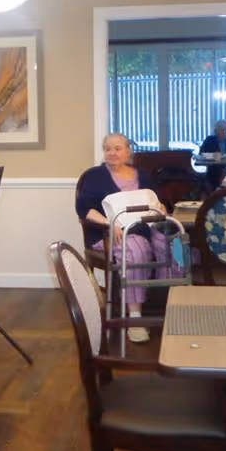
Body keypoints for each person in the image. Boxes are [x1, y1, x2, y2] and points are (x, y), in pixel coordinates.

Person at [76, 133, 177, 344]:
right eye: (108, 148)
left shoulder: (142, 174)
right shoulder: (95, 175)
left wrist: (160, 207)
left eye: (117, 148)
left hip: (145, 227)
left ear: (128, 151)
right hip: (111, 232)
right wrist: (109, 223)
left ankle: (169, 304)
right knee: (135, 249)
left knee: (174, 244)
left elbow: (160, 202)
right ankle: (135, 318)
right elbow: (84, 209)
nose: (112, 153)